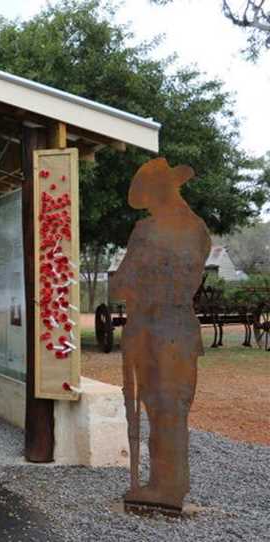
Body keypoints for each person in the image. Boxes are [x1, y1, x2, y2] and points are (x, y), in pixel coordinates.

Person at [110, 157, 211, 511]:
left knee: (164, 406)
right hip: (170, 326)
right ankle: (166, 484)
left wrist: (139, 283)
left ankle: (166, 487)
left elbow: (122, 284)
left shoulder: (151, 231)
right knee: (165, 407)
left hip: (159, 327)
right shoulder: (195, 229)